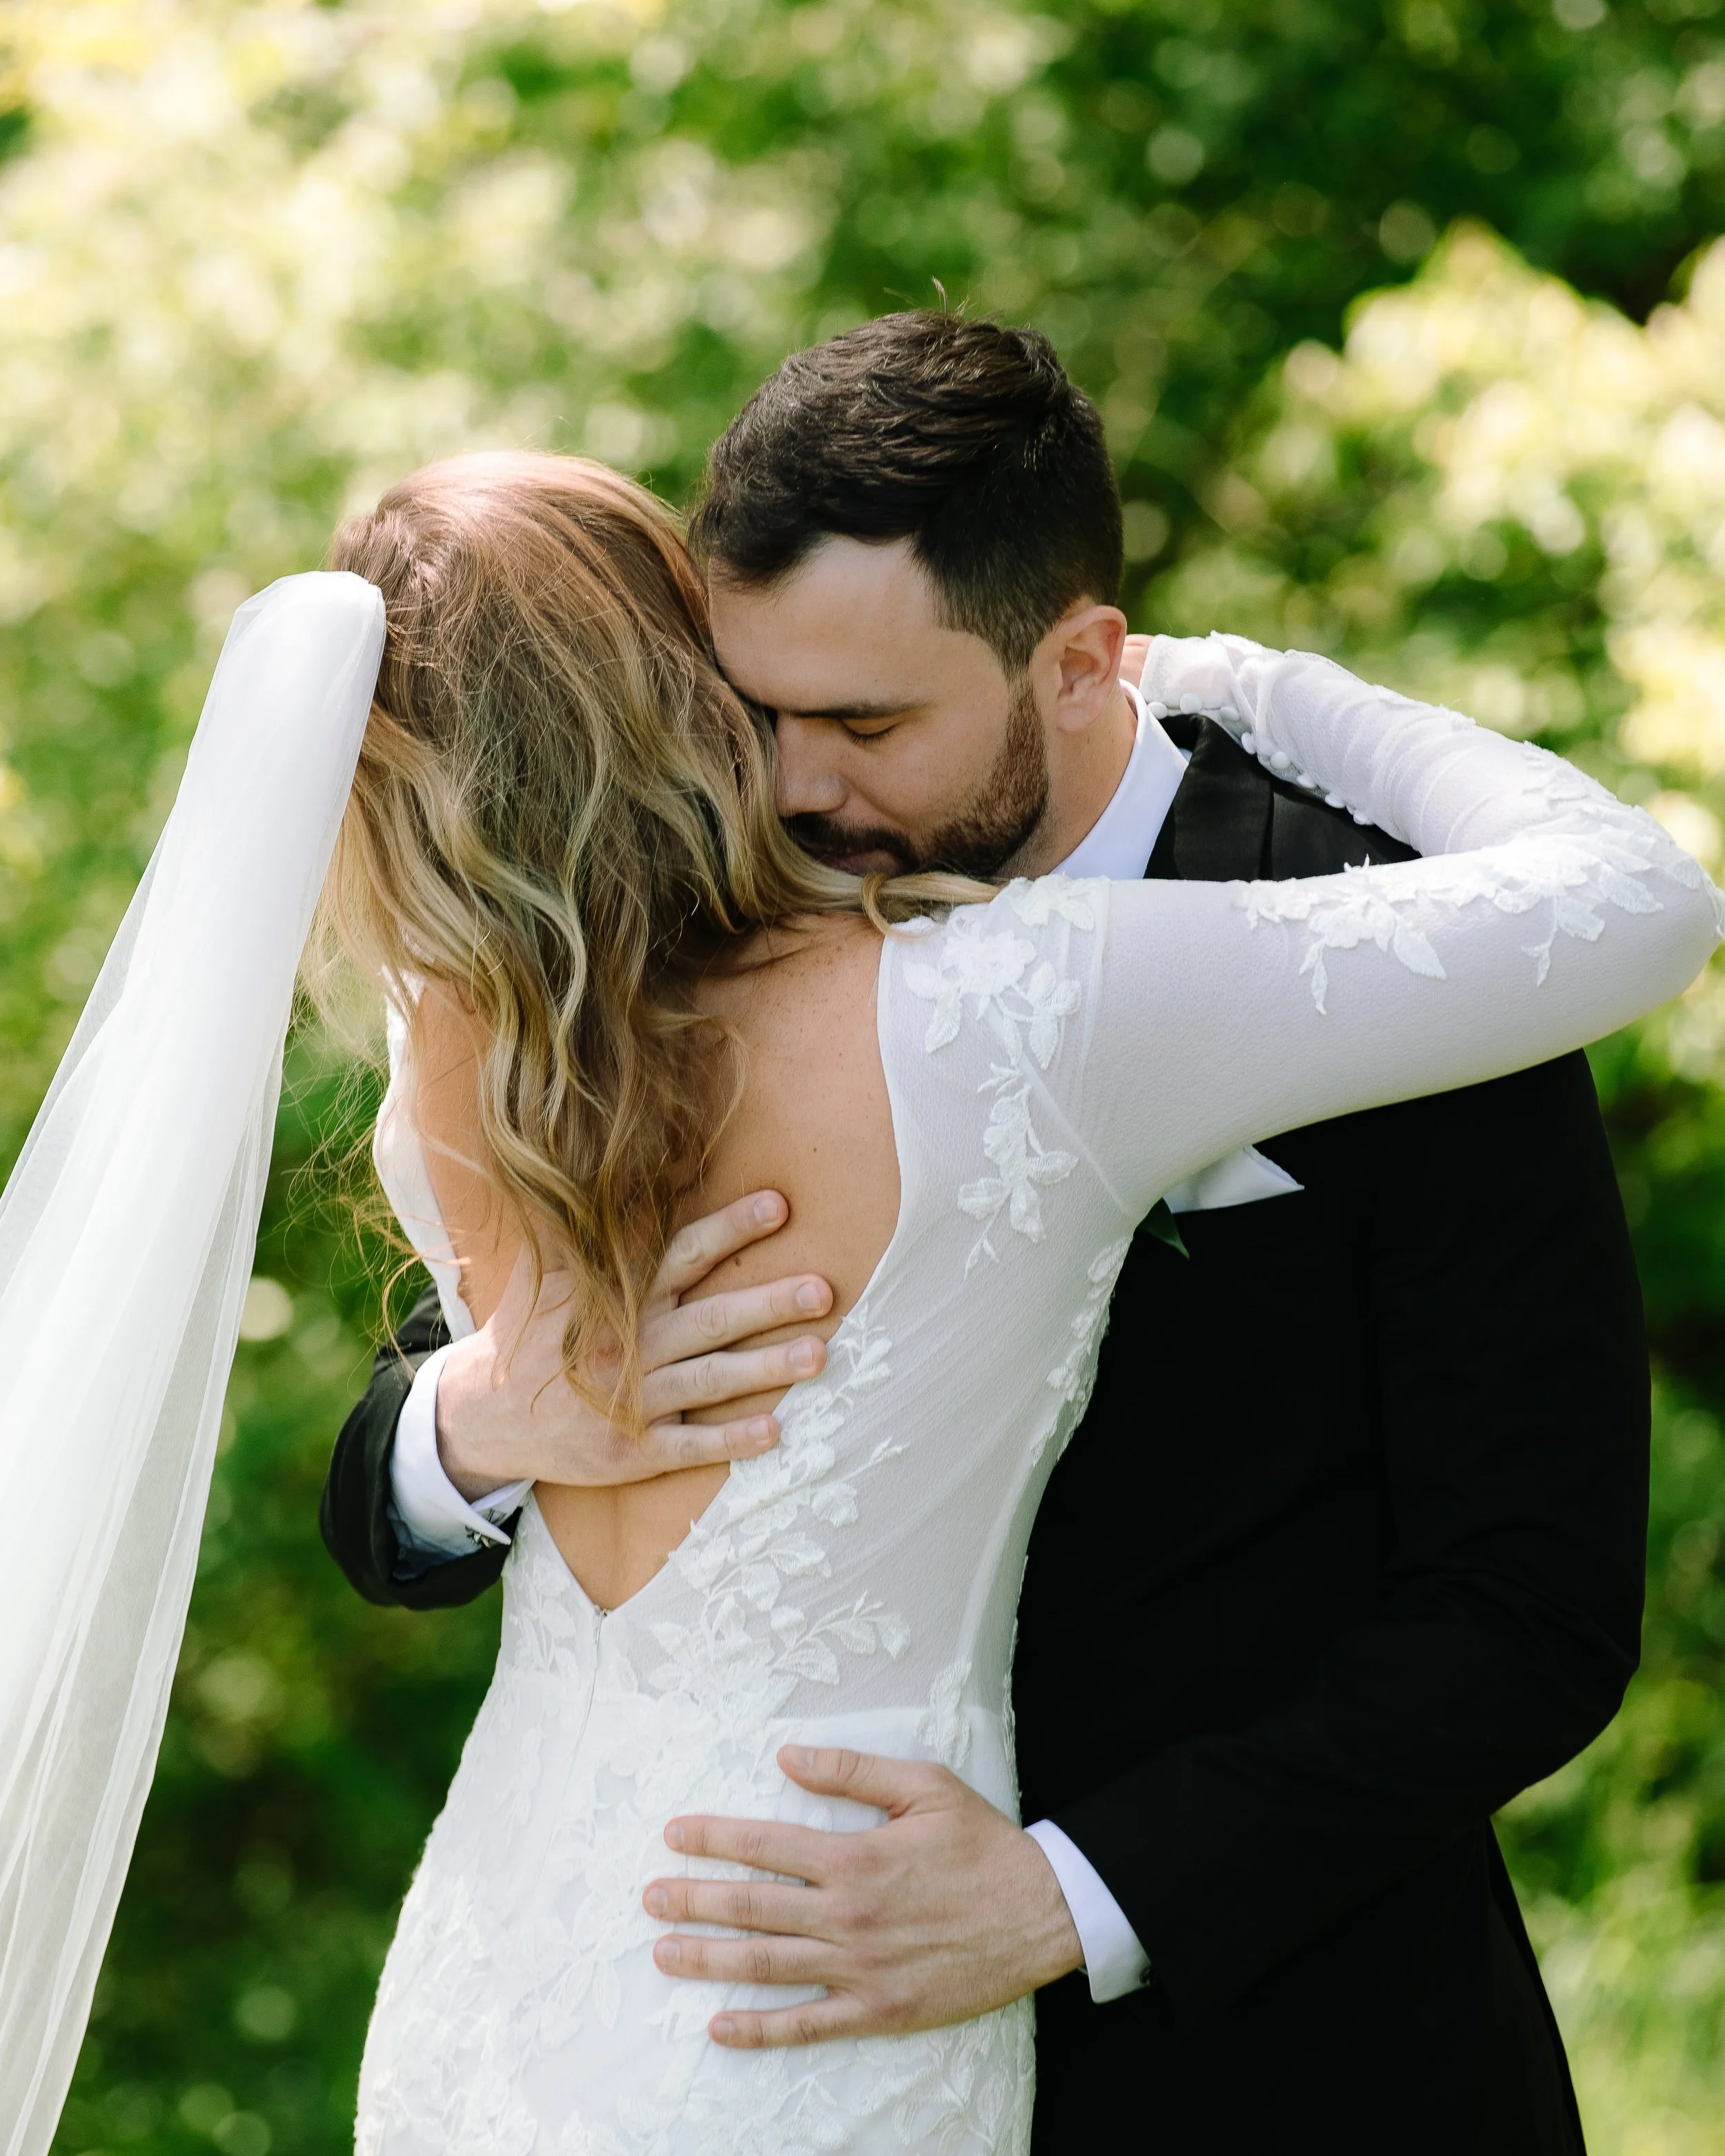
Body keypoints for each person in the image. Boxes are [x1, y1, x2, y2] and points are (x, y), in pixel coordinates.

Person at [308, 404, 1716, 2149]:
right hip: (628, 1990)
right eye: (758, 713)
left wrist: (1080, 1893)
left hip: (1274, 2057)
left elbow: (1525, 1604)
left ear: (1069, 661)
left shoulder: (1317, 923)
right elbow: (414, 1472)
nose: (804, 782)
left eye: (865, 721)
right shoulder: (580, 1015)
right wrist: (468, 1420)